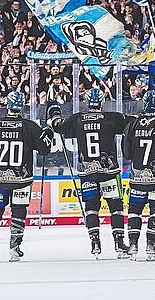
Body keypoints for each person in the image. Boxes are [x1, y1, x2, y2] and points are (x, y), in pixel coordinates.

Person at [0, 91, 54, 262]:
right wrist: (48, 131)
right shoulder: (30, 127)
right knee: (18, 212)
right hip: (21, 180)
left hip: (0, 179)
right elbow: (45, 149)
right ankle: (14, 249)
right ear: (21, 106)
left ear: (7, 105)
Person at [50, 88, 131, 257]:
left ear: (87, 103)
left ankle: (95, 243)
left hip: (87, 172)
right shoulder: (112, 118)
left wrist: (54, 114)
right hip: (109, 171)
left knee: (91, 208)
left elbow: (59, 127)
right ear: (102, 102)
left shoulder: (77, 119)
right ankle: (119, 243)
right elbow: (133, 124)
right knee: (115, 207)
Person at [121, 90, 155, 261]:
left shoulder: (132, 125)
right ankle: (151, 245)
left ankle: (133, 245)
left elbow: (127, 153)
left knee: (134, 210)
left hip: (137, 176)